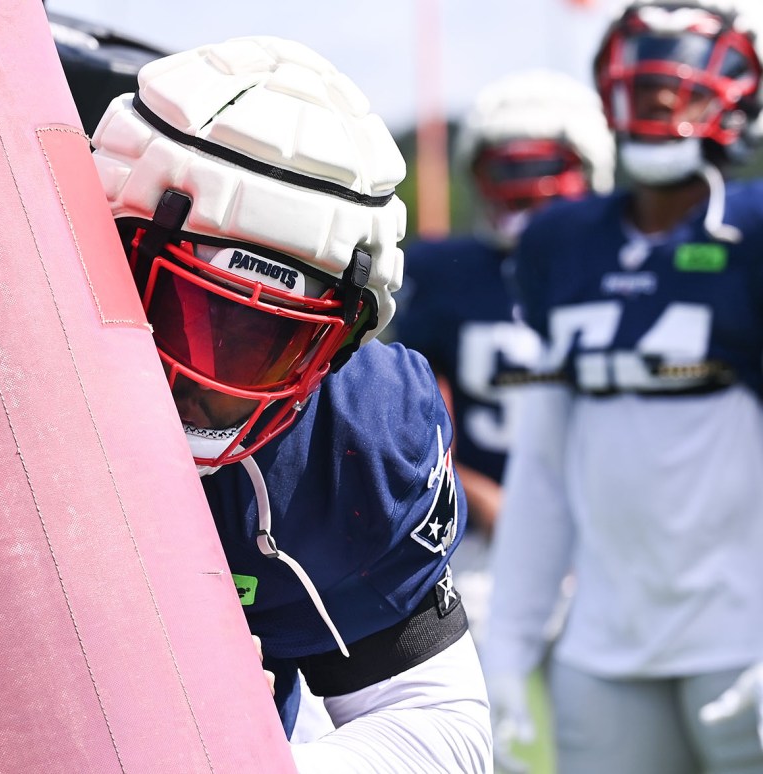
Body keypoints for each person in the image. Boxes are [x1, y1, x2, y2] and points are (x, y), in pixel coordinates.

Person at [90, 35, 493, 772]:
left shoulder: (353, 433)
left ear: (339, 346)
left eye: (274, 344)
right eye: (191, 317)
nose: (216, 387)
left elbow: (438, 728)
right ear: (108, 250)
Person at [481, 1, 763, 772]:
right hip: (605, 644)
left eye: (681, 82)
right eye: (644, 81)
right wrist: (508, 644)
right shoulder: (561, 242)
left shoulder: (752, 234)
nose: (660, 99)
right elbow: (543, 462)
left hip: (744, 635)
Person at [395, 69, 615, 647]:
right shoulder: (447, 271)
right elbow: (404, 412)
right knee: (487, 714)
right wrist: (471, 490)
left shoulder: (626, 266)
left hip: (609, 524)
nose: (523, 183)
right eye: (506, 164)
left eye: (542, 164)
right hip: (488, 534)